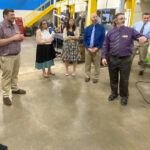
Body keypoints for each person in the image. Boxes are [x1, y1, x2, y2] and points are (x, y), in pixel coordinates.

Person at [102, 13, 147, 106]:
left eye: (124, 18)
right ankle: (114, 93)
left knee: (124, 79)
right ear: (116, 21)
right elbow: (105, 45)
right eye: (121, 18)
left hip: (125, 60)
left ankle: (124, 96)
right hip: (112, 59)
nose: (123, 20)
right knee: (113, 77)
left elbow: (140, 36)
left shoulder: (130, 31)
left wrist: (144, 37)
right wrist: (103, 57)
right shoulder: (110, 32)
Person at [0, 8, 26, 106]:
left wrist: (20, 38)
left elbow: (18, 37)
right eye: (11, 15)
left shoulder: (15, 26)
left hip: (16, 55)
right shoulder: (1, 26)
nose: (14, 16)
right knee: (7, 76)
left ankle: (14, 89)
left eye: (13, 15)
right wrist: (13, 38)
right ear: (5, 16)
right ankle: (5, 95)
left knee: (15, 74)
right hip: (6, 56)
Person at [83, 13, 105, 83]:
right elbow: (84, 40)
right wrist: (88, 47)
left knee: (97, 64)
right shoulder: (87, 28)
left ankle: (96, 77)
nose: (95, 18)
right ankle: (87, 76)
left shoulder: (101, 28)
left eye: (96, 16)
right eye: (93, 17)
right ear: (91, 19)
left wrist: (97, 48)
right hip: (88, 49)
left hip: (97, 49)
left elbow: (102, 39)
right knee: (87, 63)